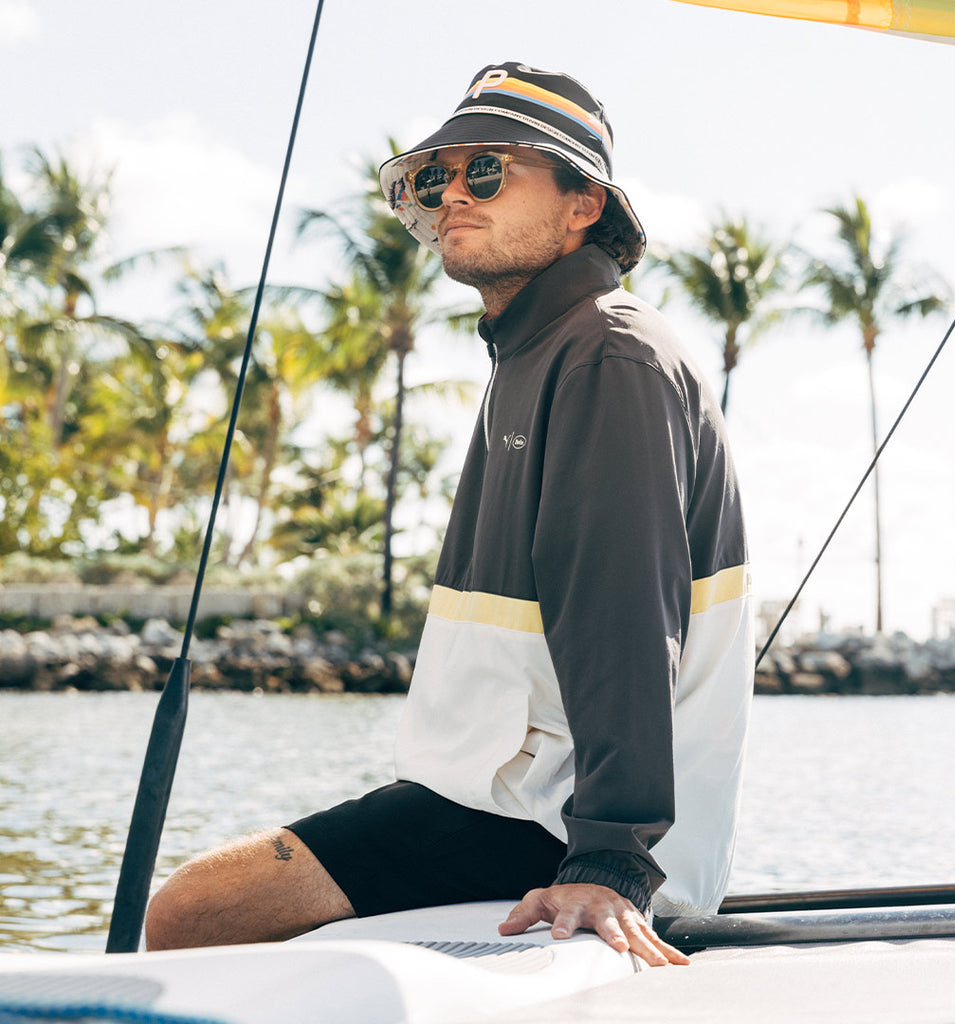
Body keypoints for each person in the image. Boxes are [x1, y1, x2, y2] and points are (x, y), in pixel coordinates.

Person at [144, 61, 754, 969]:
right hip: (500, 800)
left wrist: (611, 860)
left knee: (195, 913)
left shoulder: (606, 355)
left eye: (489, 171)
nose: (451, 198)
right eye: (435, 178)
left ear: (584, 203)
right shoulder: (536, 353)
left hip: (550, 823)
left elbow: (625, 617)